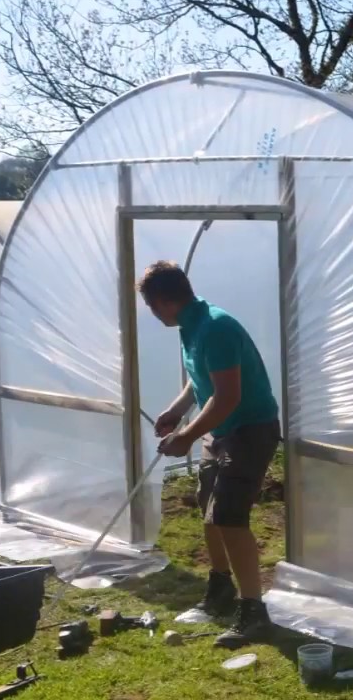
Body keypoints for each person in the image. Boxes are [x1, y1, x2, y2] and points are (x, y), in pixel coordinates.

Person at [138, 261, 281, 649]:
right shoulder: (190, 325)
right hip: (220, 430)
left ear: (165, 301)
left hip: (248, 430)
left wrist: (184, 436)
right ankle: (220, 590)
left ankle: (254, 612)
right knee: (209, 509)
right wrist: (175, 410)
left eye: (151, 307)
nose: (153, 315)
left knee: (230, 517)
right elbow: (199, 382)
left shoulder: (216, 327)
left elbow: (228, 396)